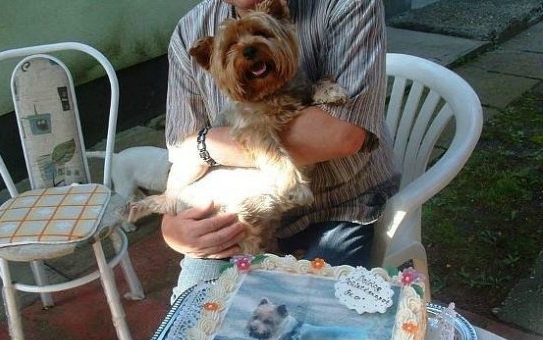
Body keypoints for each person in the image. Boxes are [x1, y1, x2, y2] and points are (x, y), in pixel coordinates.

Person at [161, 0, 399, 302]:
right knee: (197, 314)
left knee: (308, 314)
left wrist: (206, 146)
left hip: (339, 207)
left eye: (261, 34)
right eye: (231, 47)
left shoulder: (346, 4)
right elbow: (181, 148)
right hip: (237, 218)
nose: (249, 48)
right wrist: (170, 225)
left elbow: (342, 135)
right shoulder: (189, 32)